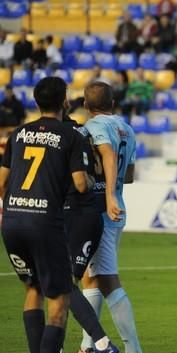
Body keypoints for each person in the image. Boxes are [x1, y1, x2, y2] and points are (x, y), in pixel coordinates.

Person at [0, 77, 93, 353]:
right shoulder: (70, 136)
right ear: (65, 101)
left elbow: (1, 184)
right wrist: (89, 178)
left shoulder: (18, 134)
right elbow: (80, 184)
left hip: (12, 221)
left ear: (36, 101)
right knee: (60, 300)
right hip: (44, 223)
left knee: (32, 289)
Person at [80, 81, 142, 353]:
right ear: (113, 103)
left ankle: (133, 348)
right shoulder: (127, 129)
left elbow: (106, 153)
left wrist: (104, 190)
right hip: (118, 208)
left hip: (100, 209)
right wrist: (114, 190)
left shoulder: (91, 128)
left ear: (85, 105)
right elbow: (128, 176)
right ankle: (87, 346)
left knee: (107, 280)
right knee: (91, 278)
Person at [62, 114, 120, 353]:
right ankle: (90, 345)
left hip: (74, 213)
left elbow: (79, 182)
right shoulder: (86, 132)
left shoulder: (62, 137)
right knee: (75, 282)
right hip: (94, 215)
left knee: (64, 284)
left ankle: (99, 343)